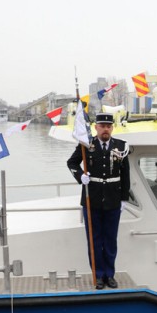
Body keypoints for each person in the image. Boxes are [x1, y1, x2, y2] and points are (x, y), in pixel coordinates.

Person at [66, 112, 130, 290]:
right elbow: (71, 163)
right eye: (102, 126)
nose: (105, 129)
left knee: (110, 240)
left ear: (112, 128)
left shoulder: (121, 146)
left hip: (113, 201)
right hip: (91, 200)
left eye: (109, 126)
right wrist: (81, 176)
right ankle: (98, 275)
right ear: (96, 127)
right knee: (94, 240)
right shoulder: (87, 144)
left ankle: (110, 274)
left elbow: (125, 175)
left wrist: (124, 198)